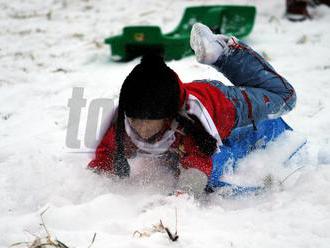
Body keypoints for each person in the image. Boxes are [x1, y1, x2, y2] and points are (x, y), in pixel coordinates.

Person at [88, 23, 296, 196]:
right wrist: (97, 181)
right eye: (135, 121)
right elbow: (106, 153)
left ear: (168, 117)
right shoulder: (123, 120)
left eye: (148, 122)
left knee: (285, 96)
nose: (140, 129)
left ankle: (222, 53)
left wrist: (183, 195)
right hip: (184, 92)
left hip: (225, 103)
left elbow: (199, 159)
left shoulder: (191, 121)